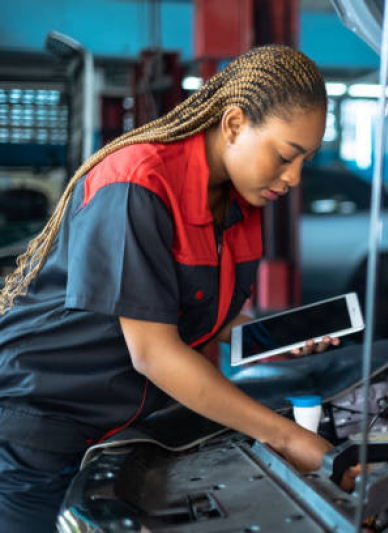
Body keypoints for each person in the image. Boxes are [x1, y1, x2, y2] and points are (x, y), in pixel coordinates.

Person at [0, 44, 343, 532]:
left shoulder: (239, 203)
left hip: (120, 428)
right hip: (37, 425)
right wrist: (287, 438)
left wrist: (265, 339)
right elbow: (155, 353)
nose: (293, 178)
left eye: (305, 161)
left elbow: (192, 311)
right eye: (286, 156)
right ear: (234, 124)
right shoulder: (136, 184)